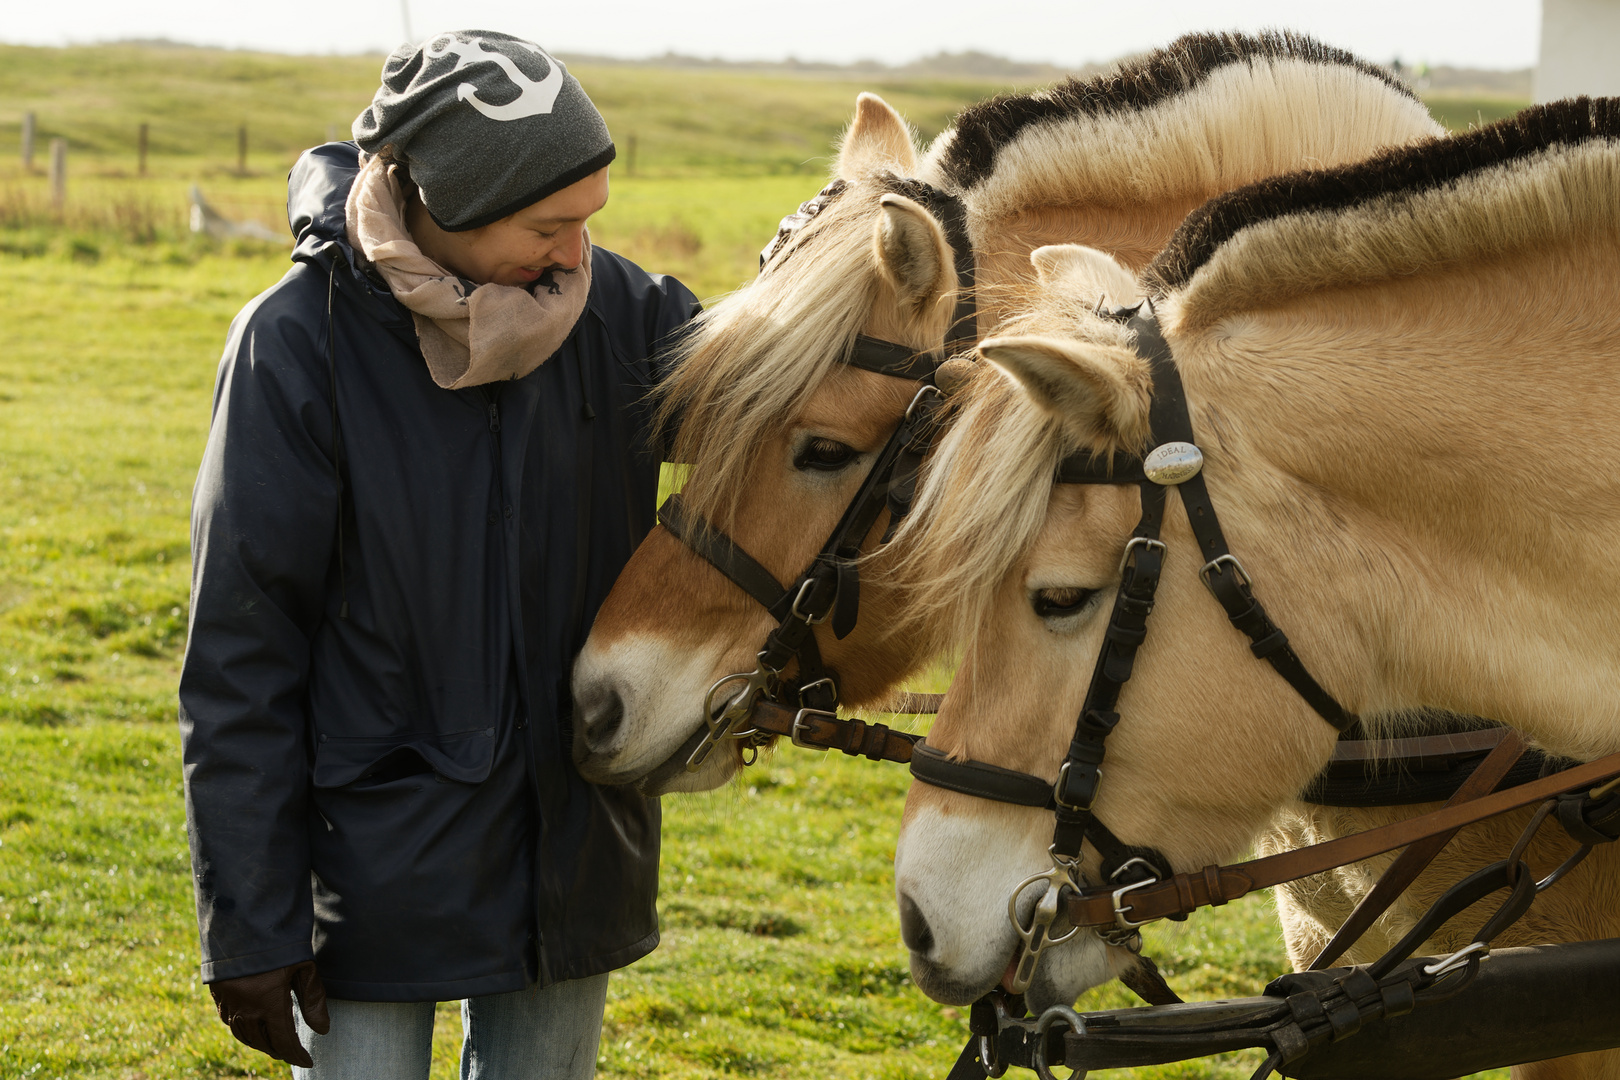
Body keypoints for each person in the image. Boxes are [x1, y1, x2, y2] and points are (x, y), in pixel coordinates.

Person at [178, 31, 697, 1078]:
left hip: (573, 856)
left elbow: (794, 402)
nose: (573, 254)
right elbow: (243, 655)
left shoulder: (626, 316)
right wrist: (252, 926)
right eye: (547, 225)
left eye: (589, 219)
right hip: (366, 875)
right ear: (450, 201)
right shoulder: (296, 345)